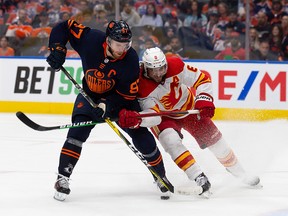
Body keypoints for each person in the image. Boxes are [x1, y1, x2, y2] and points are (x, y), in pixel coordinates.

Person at [46, 19, 172, 201]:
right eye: (118, 44)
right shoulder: (90, 39)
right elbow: (64, 26)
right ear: (108, 40)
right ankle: (62, 178)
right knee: (76, 133)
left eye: (126, 44)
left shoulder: (130, 60)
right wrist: (57, 49)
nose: (122, 49)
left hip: (120, 101)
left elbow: (127, 96)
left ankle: (160, 175)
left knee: (141, 136)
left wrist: (107, 105)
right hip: (90, 95)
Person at [118, 47, 262, 197]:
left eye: (161, 68)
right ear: (146, 68)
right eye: (154, 70)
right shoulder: (141, 84)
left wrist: (204, 98)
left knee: (214, 140)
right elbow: (154, 116)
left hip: (188, 108)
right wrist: (137, 120)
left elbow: (202, 78)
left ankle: (240, 172)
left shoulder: (175, 66)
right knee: (170, 141)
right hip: (164, 117)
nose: (159, 73)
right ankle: (198, 176)